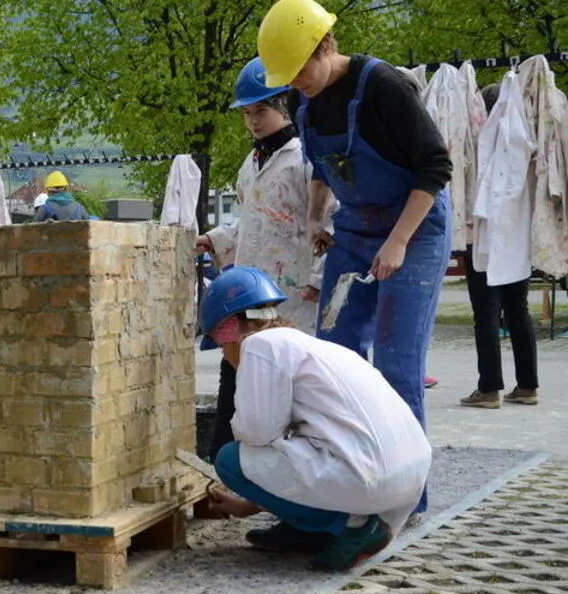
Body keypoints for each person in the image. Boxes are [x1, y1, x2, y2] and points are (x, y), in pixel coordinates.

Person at [259, 0, 452, 513]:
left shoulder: (383, 87)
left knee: (396, 361)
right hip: (355, 229)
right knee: (333, 357)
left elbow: (435, 167)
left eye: (301, 68)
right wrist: (315, 217)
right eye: (288, 76)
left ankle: (406, 499)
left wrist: (398, 241)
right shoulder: (303, 103)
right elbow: (324, 167)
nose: (296, 81)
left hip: (415, 226)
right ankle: (345, 485)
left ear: (325, 46)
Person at [199, 266, 431, 571]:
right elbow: (297, 457)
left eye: (219, 347)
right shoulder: (305, 345)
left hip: (368, 477)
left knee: (229, 459)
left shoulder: (259, 346)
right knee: (276, 449)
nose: (225, 358)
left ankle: (347, 527)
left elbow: (256, 433)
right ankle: (311, 529)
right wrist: (249, 507)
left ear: (228, 333)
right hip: (406, 475)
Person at [195, 56, 327, 462]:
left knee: (283, 381)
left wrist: (318, 279)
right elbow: (248, 223)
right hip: (248, 292)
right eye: (248, 113)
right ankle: (223, 457)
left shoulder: (306, 160)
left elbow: (327, 221)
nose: (254, 121)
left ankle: (283, 464)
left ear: (285, 105)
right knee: (234, 367)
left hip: (294, 293)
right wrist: (213, 241)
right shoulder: (249, 166)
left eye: (262, 111)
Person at [460, 82, 538, 409]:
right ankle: (528, 385)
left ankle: (490, 387)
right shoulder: (524, 147)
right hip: (517, 241)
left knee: (487, 313)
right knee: (518, 310)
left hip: (484, 240)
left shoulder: (481, 147)